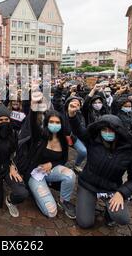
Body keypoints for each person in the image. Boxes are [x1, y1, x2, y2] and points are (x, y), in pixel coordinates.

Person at [68, 101, 132, 228]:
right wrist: (72, 115)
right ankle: (86, 201)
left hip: (111, 189)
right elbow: (79, 130)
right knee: (85, 223)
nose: (107, 132)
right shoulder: (93, 141)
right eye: (104, 130)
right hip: (88, 185)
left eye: (111, 130)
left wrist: (122, 193)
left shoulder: (131, 152)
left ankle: (109, 212)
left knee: (122, 218)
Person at [24, 91, 76, 219]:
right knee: (51, 212)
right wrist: (33, 107)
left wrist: (51, 164)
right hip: (35, 174)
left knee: (70, 175)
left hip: (51, 171)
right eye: (52, 122)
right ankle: (36, 192)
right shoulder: (40, 136)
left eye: (58, 122)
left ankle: (64, 201)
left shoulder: (62, 140)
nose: (55, 125)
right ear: (47, 123)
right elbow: (32, 123)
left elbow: (63, 159)